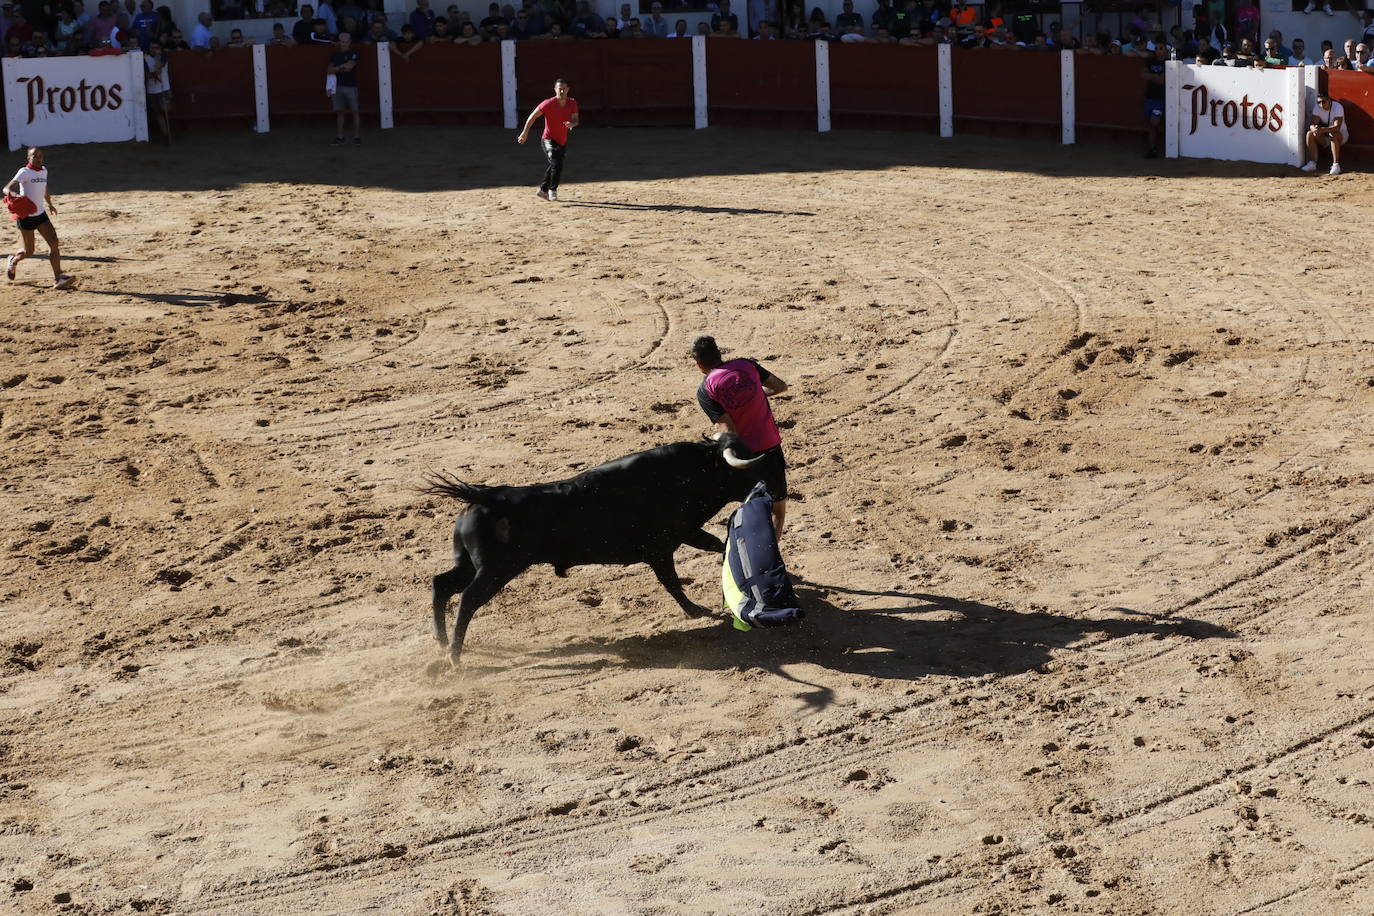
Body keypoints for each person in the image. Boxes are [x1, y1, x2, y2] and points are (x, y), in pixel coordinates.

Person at [691, 336, 790, 537]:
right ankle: (769, 555)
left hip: (742, 457)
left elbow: (729, 427)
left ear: (699, 365)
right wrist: (755, 393)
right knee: (777, 509)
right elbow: (780, 387)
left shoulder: (705, 390)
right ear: (720, 354)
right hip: (769, 446)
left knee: (749, 505)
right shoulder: (746, 365)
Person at [4, 149, 75, 290]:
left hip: (41, 215)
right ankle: (13, 260)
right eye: (34, 156)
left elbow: (44, 188)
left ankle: (58, 277)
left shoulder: (44, 171)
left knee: (54, 243)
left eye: (40, 156)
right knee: (29, 251)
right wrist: (13, 194)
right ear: (28, 157)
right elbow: (6, 188)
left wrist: (49, 203)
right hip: (26, 217)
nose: (38, 159)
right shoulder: (24, 172)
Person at [517, 77, 578, 200]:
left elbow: (575, 119)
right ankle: (552, 190)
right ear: (555, 89)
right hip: (548, 139)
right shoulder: (548, 103)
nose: (561, 91)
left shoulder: (572, 103)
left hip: (562, 141)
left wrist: (572, 124)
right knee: (556, 161)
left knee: (555, 164)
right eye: (559, 89)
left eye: (564, 89)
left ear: (568, 90)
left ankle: (543, 189)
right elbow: (532, 116)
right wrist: (525, 132)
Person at [327, 30, 361, 145]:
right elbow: (329, 70)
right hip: (338, 87)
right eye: (342, 42)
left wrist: (337, 68)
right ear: (339, 42)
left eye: (346, 42)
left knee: (354, 111)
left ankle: (356, 137)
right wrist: (342, 67)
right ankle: (340, 137)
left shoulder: (354, 53)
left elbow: (349, 67)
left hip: (351, 86)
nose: (344, 44)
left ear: (350, 42)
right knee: (340, 112)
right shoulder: (335, 55)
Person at [1302, 91, 1346, 175]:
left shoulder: (1338, 107)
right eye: (1319, 102)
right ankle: (1312, 163)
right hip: (1326, 136)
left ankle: (1336, 165)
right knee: (1310, 134)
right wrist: (1314, 129)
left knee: (1333, 134)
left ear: (1329, 100)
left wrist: (1321, 130)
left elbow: (1337, 128)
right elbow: (1312, 124)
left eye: (1323, 101)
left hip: (1341, 135)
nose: (1321, 104)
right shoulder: (1317, 107)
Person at [145, 38, 171, 143]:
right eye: (152, 48)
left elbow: (158, 68)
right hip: (152, 90)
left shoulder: (163, 57)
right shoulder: (145, 58)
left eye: (156, 48)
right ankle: (165, 135)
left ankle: (166, 134)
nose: (154, 50)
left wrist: (157, 57)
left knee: (164, 111)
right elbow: (149, 74)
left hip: (164, 89)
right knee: (158, 113)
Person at [1142, 42, 1166, 158]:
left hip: (1161, 98)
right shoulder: (1151, 61)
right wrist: (1155, 76)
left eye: (1161, 48)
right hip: (1149, 97)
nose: (1158, 51)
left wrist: (1151, 76)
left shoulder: (1168, 63)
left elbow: (1161, 81)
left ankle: (1155, 147)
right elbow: (1142, 74)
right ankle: (1152, 148)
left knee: (1154, 121)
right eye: (1156, 48)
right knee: (1151, 125)